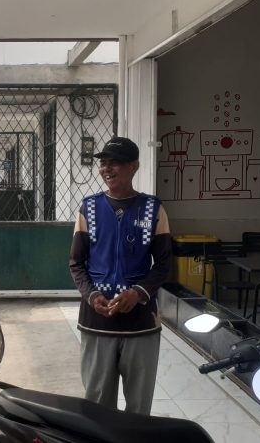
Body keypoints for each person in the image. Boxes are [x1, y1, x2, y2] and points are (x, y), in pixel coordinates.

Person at [69, 136, 172, 414]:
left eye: (115, 163)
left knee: (138, 408)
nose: (107, 169)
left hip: (141, 324)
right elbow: (76, 263)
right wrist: (92, 296)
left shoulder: (153, 209)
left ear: (133, 167)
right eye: (103, 163)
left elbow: (164, 264)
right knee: (97, 406)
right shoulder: (89, 208)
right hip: (97, 322)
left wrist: (138, 293)